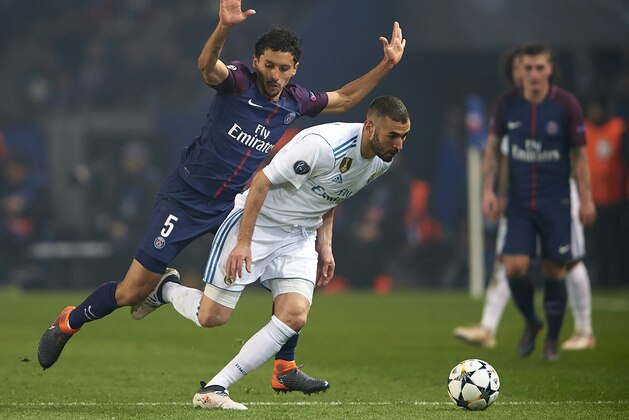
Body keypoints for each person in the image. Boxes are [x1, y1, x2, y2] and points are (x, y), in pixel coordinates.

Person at [37, 0, 407, 393]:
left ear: (294, 69)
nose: (275, 75)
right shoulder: (239, 81)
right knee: (132, 291)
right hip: (186, 198)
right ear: (256, 61)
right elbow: (205, 67)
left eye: (284, 68)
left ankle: (284, 364)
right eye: (269, 65)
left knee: (291, 272)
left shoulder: (295, 100)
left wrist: (387, 65)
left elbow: (346, 99)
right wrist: (223, 27)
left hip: (233, 204)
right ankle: (68, 322)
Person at [131, 96, 410, 410]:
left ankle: (215, 388)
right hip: (258, 223)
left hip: (299, 235)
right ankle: (164, 288)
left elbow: (333, 193)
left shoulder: (381, 160)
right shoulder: (322, 146)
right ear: (370, 127)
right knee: (211, 317)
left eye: (404, 137)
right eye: (393, 136)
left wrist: (325, 245)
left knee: (294, 315)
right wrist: (244, 243)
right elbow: (261, 182)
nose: (399, 145)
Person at [454, 46, 597, 351]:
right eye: (526, 68)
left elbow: (579, 156)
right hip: (519, 200)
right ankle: (519, 322)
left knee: (561, 265)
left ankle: (566, 336)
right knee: (513, 265)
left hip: (557, 197)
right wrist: (490, 191)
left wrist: (586, 198)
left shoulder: (565, 104)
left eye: (537, 68)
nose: (531, 74)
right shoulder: (507, 105)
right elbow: (494, 152)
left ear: (549, 69)